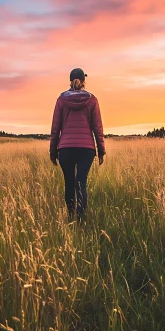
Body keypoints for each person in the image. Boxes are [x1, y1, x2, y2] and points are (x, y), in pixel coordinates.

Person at [50, 68, 106, 222]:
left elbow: (55, 128)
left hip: (66, 148)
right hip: (86, 149)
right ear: (83, 81)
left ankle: (70, 217)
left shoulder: (61, 100)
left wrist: (53, 151)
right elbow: (97, 127)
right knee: (81, 183)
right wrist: (101, 150)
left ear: (70, 80)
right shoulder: (92, 99)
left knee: (69, 183)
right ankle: (81, 220)